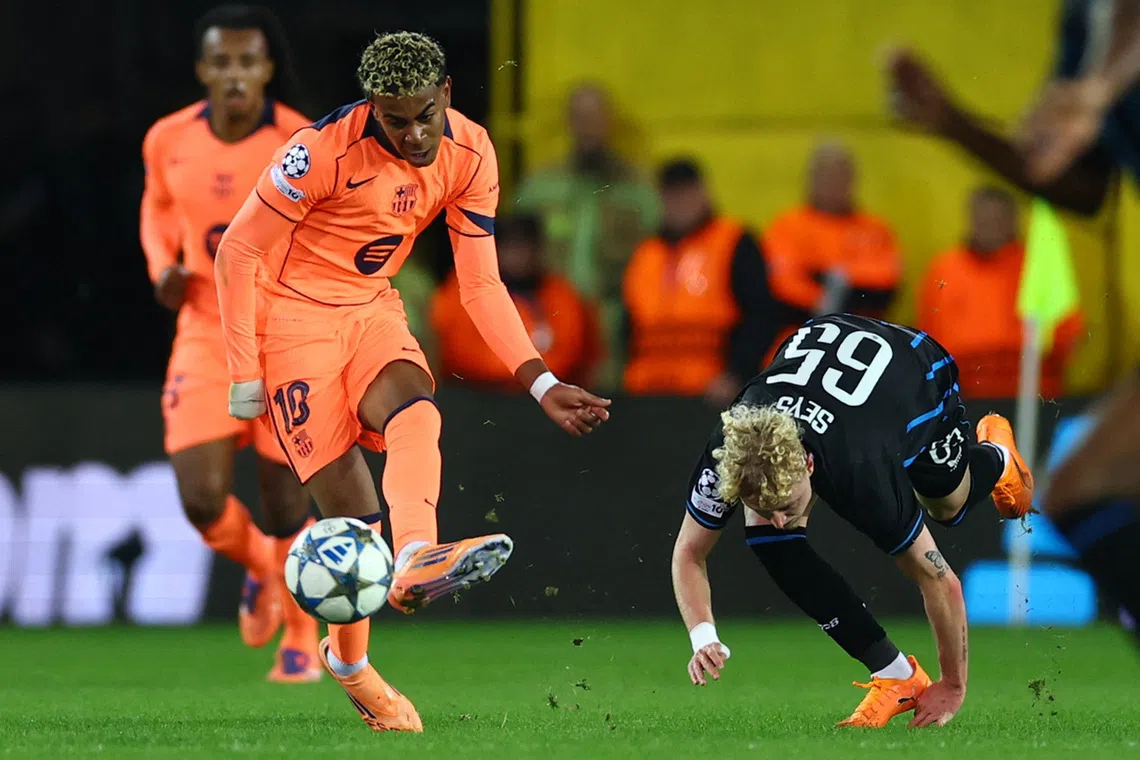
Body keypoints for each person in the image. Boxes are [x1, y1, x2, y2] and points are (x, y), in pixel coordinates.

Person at [214, 31, 612, 732]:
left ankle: (416, 555)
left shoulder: (473, 150)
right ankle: (351, 665)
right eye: (397, 120)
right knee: (352, 527)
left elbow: (482, 282)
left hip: (372, 308)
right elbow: (237, 251)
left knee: (417, 411)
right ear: (374, 108)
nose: (415, 133)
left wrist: (542, 384)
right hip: (292, 327)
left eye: (426, 114)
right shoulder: (319, 153)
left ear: (447, 94)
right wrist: (245, 373)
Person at [887, 0, 1140, 639]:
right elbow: (1081, 184)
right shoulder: (1086, 21)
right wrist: (951, 123)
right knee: (1079, 495)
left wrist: (1100, 90)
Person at [671, 314, 1034, 728]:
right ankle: (897, 676)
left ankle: (998, 458)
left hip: (916, 369)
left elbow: (939, 579)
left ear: (808, 464)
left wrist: (953, 685)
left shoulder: (863, 472)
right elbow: (688, 552)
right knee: (767, 537)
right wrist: (704, 637)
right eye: (763, 503)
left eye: (786, 504)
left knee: (947, 505)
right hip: (831, 359)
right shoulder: (729, 451)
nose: (778, 516)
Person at [139, 4, 319, 683]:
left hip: (281, 334)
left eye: (249, 62)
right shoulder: (167, 139)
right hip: (206, 332)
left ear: (268, 68)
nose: (236, 75)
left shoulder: (299, 140)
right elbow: (157, 209)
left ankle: (300, 637)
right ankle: (264, 571)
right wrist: (161, 268)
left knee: (283, 501)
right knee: (200, 497)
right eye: (223, 63)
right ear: (203, 70)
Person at [622, 158, 777, 406]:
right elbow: (628, 326)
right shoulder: (645, 253)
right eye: (671, 194)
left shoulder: (733, 241)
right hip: (646, 392)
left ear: (703, 193)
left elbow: (760, 316)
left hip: (710, 392)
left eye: (686, 193)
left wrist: (736, 375)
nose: (679, 203)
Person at [917, 186, 1083, 399]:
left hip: (1031, 393)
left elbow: (1067, 334)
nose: (990, 228)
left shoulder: (1038, 268)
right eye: (983, 220)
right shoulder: (944, 269)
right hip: (965, 391)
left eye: (998, 220)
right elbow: (929, 341)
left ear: (1014, 221)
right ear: (970, 219)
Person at [762, 142, 903, 365]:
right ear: (810, 179)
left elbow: (885, 284)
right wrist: (834, 292)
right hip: (799, 341)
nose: (834, 184)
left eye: (841, 176)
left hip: (863, 343)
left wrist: (828, 277)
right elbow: (782, 287)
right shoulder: (787, 227)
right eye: (826, 175)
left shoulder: (875, 230)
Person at [431, 214, 600, 390]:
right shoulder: (461, 288)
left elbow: (570, 352)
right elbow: (460, 352)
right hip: (477, 396)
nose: (519, 255)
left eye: (525, 247)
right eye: (510, 247)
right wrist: (529, 373)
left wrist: (531, 376)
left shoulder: (561, 294)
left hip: (543, 397)